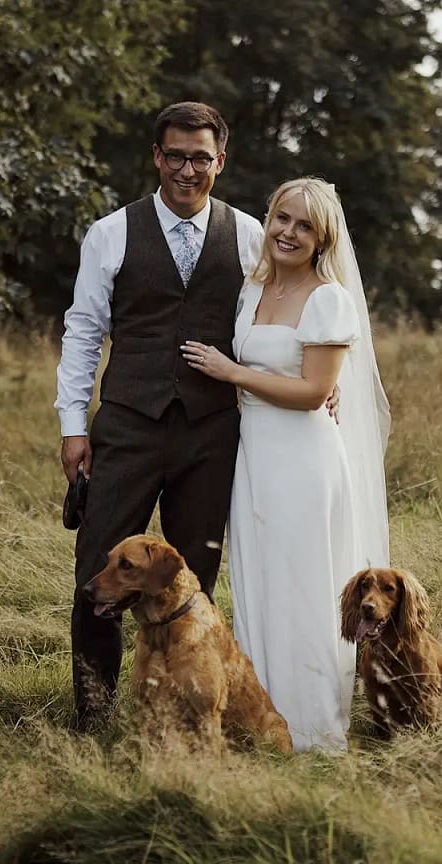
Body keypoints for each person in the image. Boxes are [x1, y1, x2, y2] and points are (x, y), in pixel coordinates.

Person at [55, 101, 264, 731]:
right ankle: (95, 716)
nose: (186, 170)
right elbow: (83, 330)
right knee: (97, 575)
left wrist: (316, 379)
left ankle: (182, 714)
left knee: (192, 578)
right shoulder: (111, 233)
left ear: (220, 162)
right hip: (127, 426)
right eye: (175, 155)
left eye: (200, 158)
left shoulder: (249, 235)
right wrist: (73, 424)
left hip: (211, 431)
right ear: (157, 156)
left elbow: (277, 317)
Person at [180, 177, 392, 751]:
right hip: (255, 456)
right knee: (261, 584)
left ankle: (315, 728)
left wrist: (232, 372)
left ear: (323, 239)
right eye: (282, 218)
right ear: (268, 220)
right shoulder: (253, 288)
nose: (289, 233)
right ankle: (266, 720)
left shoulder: (327, 299)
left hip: (303, 460)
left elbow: (313, 392)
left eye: (305, 226)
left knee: (303, 588)